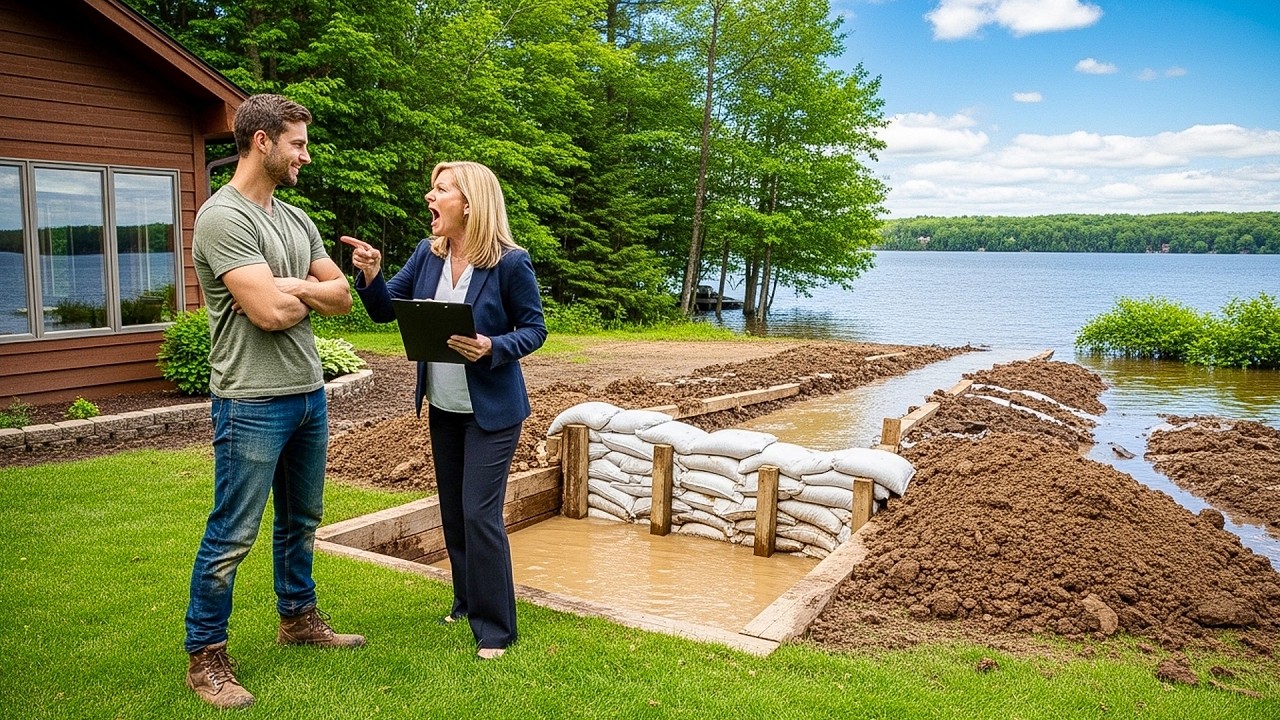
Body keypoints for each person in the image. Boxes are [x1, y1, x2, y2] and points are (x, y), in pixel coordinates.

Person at [185, 94, 364, 710]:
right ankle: (206, 657)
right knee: (232, 532)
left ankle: (298, 618)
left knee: (301, 521)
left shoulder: (293, 219)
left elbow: (343, 298)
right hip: (251, 400)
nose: (305, 156)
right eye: (297, 143)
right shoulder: (223, 219)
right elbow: (265, 314)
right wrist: (303, 290)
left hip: (309, 393)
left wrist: (292, 287)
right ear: (262, 141)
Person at [342, 161, 546, 660]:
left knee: (480, 514)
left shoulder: (509, 263)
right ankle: (464, 599)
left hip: (492, 412)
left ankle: (496, 629)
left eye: (440, 190)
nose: (430, 198)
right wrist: (371, 273)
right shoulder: (427, 255)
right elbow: (386, 308)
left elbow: (535, 329)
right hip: (444, 406)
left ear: (469, 203)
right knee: (454, 513)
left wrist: (492, 346)